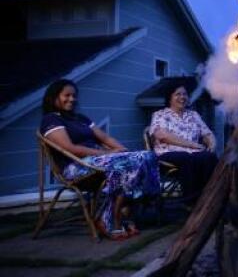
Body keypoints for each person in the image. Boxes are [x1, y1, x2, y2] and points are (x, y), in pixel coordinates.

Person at [40, 79, 161, 240]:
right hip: (74, 166)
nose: (72, 99)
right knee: (126, 165)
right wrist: (106, 154)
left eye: (74, 96)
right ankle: (115, 218)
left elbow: (104, 137)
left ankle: (124, 211)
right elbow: (70, 148)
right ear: (53, 97)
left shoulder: (80, 118)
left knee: (147, 156)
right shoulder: (51, 119)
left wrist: (122, 151)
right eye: (66, 95)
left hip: (98, 161)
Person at [149, 83, 218, 204]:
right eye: (178, 94)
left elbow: (207, 133)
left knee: (209, 157)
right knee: (187, 158)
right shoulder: (160, 115)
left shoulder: (194, 115)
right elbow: (162, 136)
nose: (182, 97)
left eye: (185, 94)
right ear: (170, 98)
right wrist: (192, 145)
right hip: (168, 154)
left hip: (194, 153)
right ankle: (191, 202)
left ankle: (210, 198)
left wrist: (211, 144)